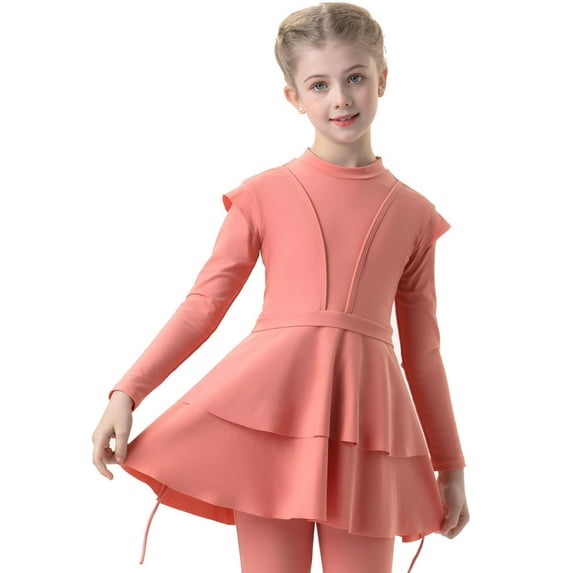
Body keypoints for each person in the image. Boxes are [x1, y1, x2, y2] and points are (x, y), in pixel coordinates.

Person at [92, 3, 469, 572]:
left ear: (383, 78)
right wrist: (126, 393)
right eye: (319, 85)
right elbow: (204, 305)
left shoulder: (414, 214)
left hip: (368, 425)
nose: (340, 98)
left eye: (355, 77)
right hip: (270, 417)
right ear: (294, 96)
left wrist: (451, 465)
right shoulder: (263, 194)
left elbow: (424, 351)